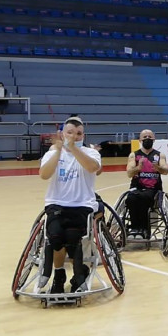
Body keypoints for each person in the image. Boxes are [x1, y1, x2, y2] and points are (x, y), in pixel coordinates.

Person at [38, 117, 103, 293]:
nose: (74, 136)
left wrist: (73, 148)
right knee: (56, 238)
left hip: (82, 205)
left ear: (83, 136)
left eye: (78, 133)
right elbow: (44, 174)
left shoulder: (91, 153)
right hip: (56, 203)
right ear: (62, 134)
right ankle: (59, 275)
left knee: (73, 240)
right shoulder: (52, 154)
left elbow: (92, 168)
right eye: (70, 133)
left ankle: (79, 272)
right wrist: (59, 151)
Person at [125, 129, 168, 238]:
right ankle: (135, 228)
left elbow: (166, 171)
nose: (147, 139)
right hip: (136, 188)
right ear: (140, 140)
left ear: (154, 139)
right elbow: (129, 173)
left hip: (153, 189)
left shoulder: (159, 155)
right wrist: (138, 168)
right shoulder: (134, 155)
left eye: (150, 137)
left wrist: (158, 167)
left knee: (144, 198)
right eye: (145, 137)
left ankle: (144, 229)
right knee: (131, 199)